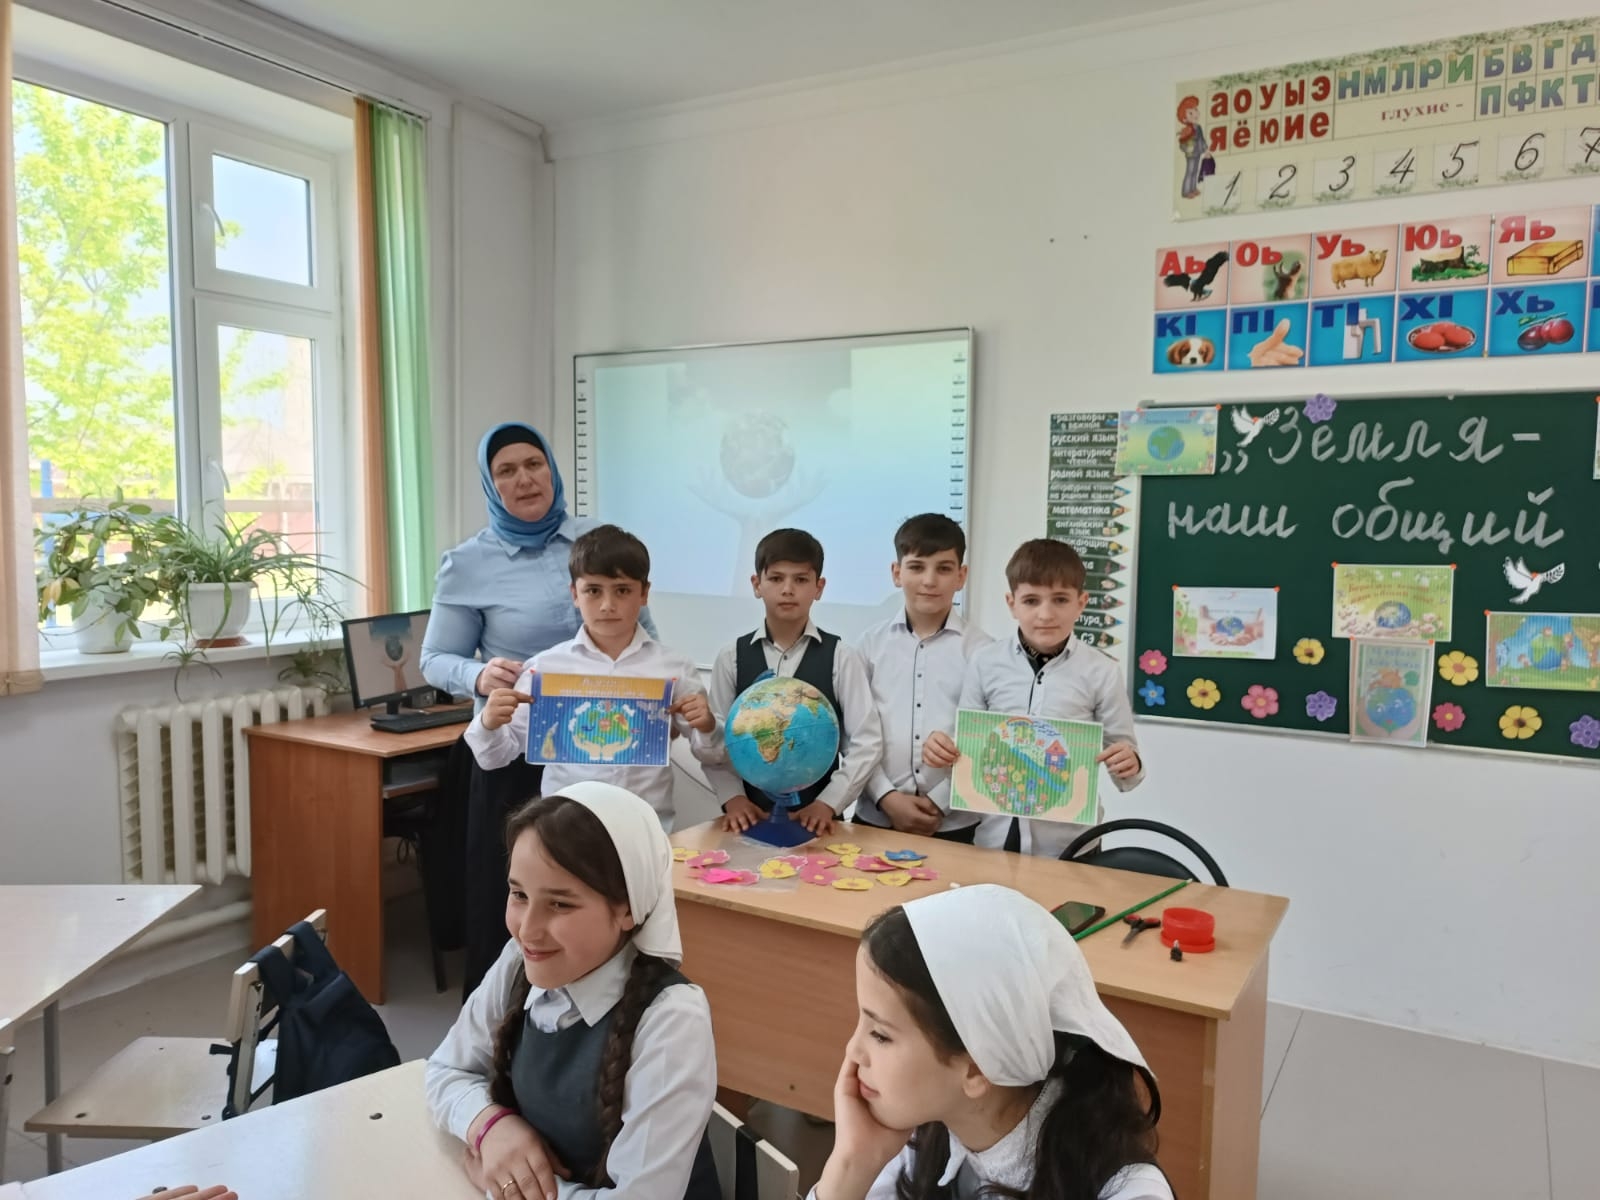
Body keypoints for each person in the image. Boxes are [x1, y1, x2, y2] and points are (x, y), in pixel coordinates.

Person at [421, 422, 655, 998]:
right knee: (521, 894)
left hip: (599, 741)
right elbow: (434, 659)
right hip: (515, 747)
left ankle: (601, 1010)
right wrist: (479, 675)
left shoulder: (593, 541)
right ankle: (505, 1015)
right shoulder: (467, 563)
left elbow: (643, 631)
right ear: (490, 483)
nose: (524, 479)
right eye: (506, 470)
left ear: (552, 468)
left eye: (534, 464)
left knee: (598, 889)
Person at [425, 781, 719, 1200]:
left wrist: (515, 1188)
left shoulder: (671, 1020)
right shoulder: (518, 962)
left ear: (627, 909)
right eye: (519, 894)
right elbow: (445, 1069)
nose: (528, 930)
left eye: (560, 904)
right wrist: (491, 1127)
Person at [813, 884, 1172, 1200]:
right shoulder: (928, 1136)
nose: (853, 1050)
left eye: (880, 1034)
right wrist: (852, 1165)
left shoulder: (1126, 1191)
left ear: (977, 1067)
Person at [467, 525, 723, 831]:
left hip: (644, 828)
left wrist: (707, 725)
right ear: (574, 594)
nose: (607, 605)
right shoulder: (545, 668)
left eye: (622, 590)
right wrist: (489, 723)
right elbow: (494, 758)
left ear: (644, 593)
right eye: (593, 590)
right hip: (564, 829)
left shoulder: (673, 668)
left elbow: (713, 755)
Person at [922, 539, 1143, 858]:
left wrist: (1129, 762)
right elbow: (968, 745)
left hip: (1070, 846)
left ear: (1081, 603)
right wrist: (944, 750)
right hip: (994, 837)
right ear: (1012, 603)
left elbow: (1126, 759)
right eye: (1031, 601)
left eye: (1060, 600)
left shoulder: (1102, 671)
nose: (1045, 614)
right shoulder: (985, 662)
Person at [703, 528, 884, 838]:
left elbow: (866, 742)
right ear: (756, 584)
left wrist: (828, 803)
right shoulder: (731, 657)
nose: (788, 590)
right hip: (746, 820)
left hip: (820, 825)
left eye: (800, 580)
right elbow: (716, 741)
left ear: (819, 587)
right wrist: (732, 799)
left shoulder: (841, 657)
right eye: (776, 578)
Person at [853, 514, 991, 842]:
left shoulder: (985, 653)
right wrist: (886, 797)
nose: (929, 581)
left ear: (961, 576)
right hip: (874, 818)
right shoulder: (869, 646)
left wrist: (940, 801)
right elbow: (853, 732)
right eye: (916, 567)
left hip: (956, 825)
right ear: (896, 573)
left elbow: (989, 740)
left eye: (943, 569)